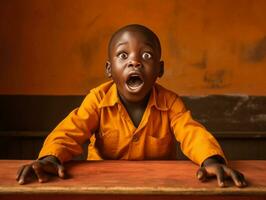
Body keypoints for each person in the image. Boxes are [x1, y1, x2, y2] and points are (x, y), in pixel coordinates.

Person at [16, 24, 247, 187]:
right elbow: (70, 131)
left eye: (146, 56)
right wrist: (49, 158)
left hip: (159, 187)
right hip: (101, 187)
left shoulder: (170, 103)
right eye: (123, 55)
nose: (134, 61)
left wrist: (212, 161)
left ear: (160, 69)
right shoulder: (97, 100)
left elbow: (192, 133)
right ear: (109, 70)